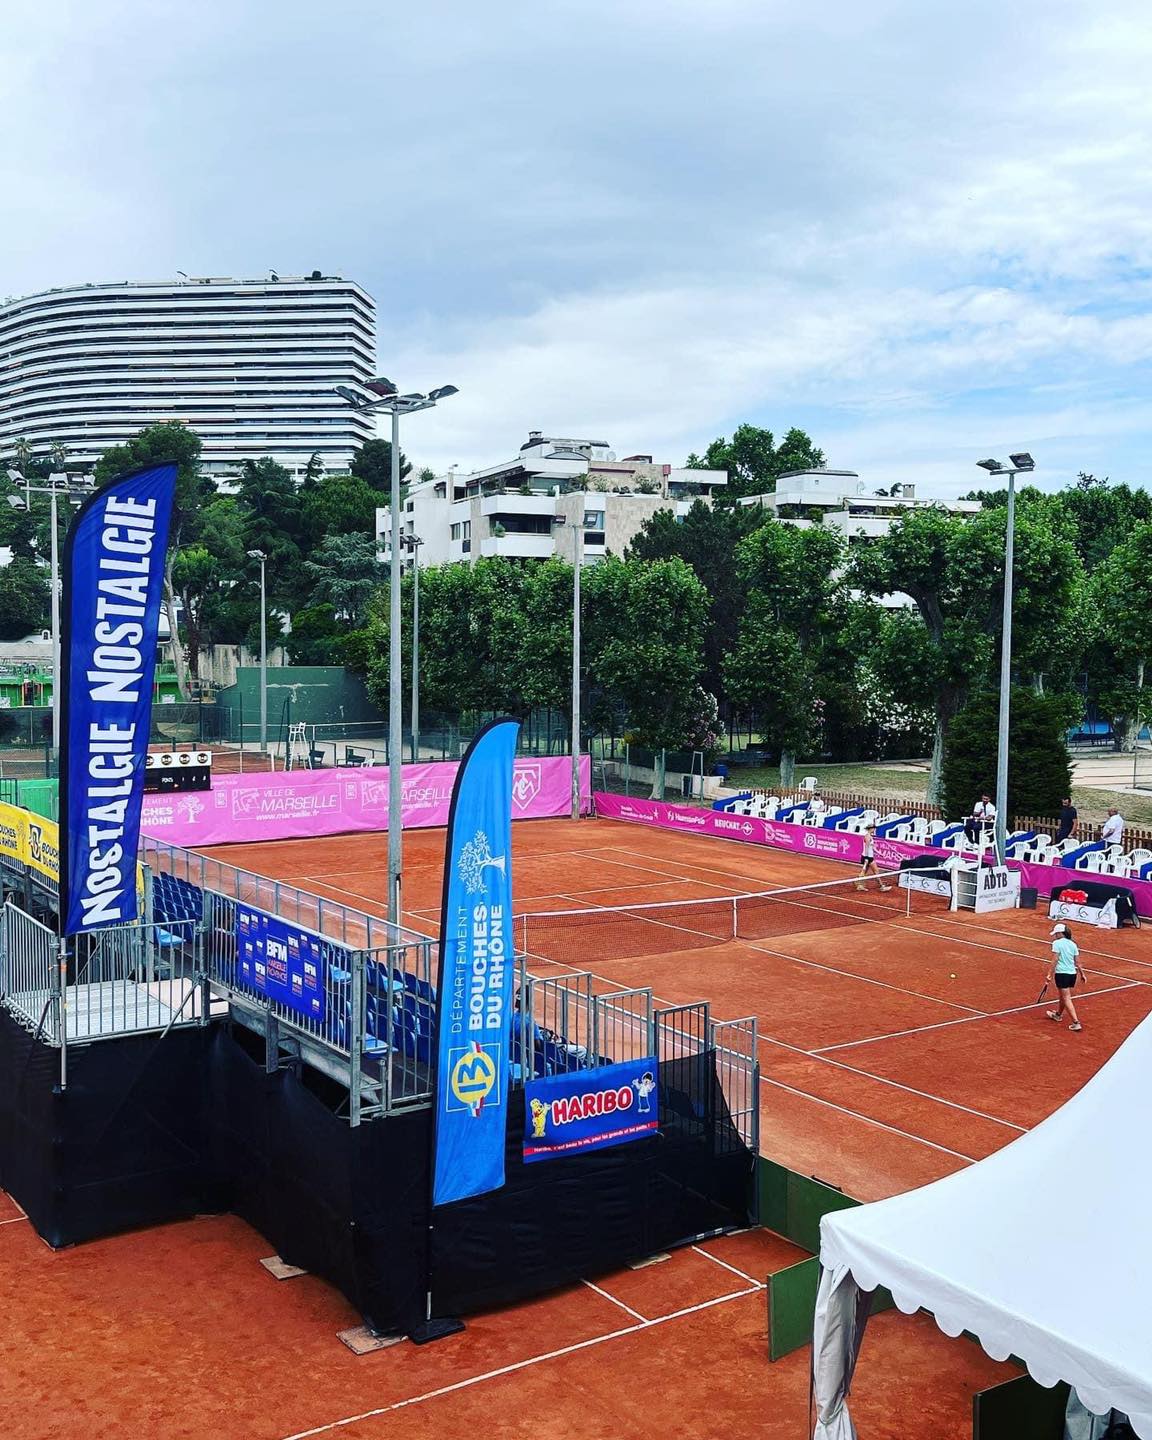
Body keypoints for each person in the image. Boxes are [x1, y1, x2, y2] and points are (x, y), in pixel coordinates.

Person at [1045, 923, 1086, 1032]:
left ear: (1059, 933)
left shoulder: (1057, 943)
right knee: (1063, 995)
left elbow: (1055, 960)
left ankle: (1076, 1022)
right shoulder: (1073, 944)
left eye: (1056, 934)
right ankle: (1058, 1015)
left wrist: (1049, 974)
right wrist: (1082, 974)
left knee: (1066, 997)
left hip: (1062, 974)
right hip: (1072, 974)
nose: (1055, 936)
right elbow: (1077, 962)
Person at [856, 823, 891, 892]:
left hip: (869, 857)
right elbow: (866, 847)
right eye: (874, 828)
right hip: (867, 857)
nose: (875, 829)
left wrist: (880, 853)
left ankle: (860, 885)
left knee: (865, 872)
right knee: (875, 872)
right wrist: (866, 858)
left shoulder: (870, 836)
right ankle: (881, 887)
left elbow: (872, 847)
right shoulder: (867, 837)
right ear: (871, 829)